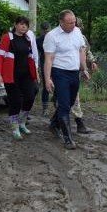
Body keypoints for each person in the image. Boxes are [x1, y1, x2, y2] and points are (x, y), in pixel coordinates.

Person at [44, 9, 89, 150]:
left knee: (69, 103)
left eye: (74, 22)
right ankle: (68, 139)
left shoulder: (77, 32)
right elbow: (48, 59)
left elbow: (81, 51)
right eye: (70, 22)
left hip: (74, 72)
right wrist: (47, 79)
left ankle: (53, 124)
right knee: (63, 105)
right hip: (60, 72)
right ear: (61, 22)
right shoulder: (52, 36)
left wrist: (84, 68)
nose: (73, 24)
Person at [0, 16, 39, 140]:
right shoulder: (7, 37)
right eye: (21, 24)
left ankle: (22, 123)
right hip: (11, 76)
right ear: (15, 25)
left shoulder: (27, 39)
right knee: (16, 101)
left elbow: (31, 58)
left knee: (30, 97)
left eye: (26, 24)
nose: (23, 26)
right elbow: (0, 57)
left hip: (26, 75)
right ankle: (14, 127)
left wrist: (35, 74)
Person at [69, 17, 98, 134]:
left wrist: (92, 61)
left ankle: (56, 121)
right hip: (65, 71)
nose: (77, 29)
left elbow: (87, 50)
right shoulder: (64, 37)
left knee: (71, 97)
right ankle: (79, 122)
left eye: (79, 26)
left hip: (78, 70)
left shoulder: (82, 38)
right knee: (72, 98)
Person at [35, 22, 51, 116]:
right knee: (46, 86)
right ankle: (45, 108)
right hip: (44, 63)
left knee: (54, 85)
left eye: (47, 31)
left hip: (54, 63)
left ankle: (54, 105)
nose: (46, 33)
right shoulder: (39, 40)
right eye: (45, 31)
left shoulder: (54, 38)